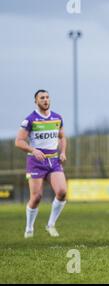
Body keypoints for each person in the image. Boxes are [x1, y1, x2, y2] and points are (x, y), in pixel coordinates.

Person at [15, 90, 67, 238]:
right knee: (36, 197)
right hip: (35, 162)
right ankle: (29, 228)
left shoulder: (57, 118)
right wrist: (33, 149)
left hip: (54, 160)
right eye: (42, 98)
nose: (45, 100)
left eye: (47, 97)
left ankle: (50, 225)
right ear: (36, 101)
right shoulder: (30, 120)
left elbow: (62, 137)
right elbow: (18, 141)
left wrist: (63, 152)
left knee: (62, 191)